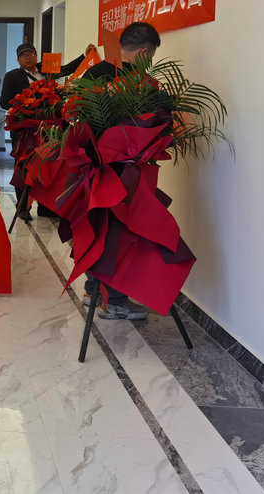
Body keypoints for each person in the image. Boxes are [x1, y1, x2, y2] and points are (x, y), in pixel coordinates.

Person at [80, 21, 161, 320]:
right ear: (144, 52)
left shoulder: (93, 74)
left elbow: (76, 118)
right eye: (151, 55)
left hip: (94, 170)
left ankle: (92, 290)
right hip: (124, 174)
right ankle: (114, 302)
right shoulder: (143, 84)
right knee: (120, 235)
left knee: (98, 229)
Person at [0, 43, 43, 222]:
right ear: (18, 60)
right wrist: (25, 104)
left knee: (45, 167)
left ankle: (45, 208)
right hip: (22, 131)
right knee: (23, 167)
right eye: (24, 55)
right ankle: (23, 207)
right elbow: (4, 102)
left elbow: (66, 68)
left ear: (36, 56)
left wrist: (85, 56)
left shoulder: (46, 72)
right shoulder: (12, 76)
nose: (28, 57)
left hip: (44, 129)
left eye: (31, 54)